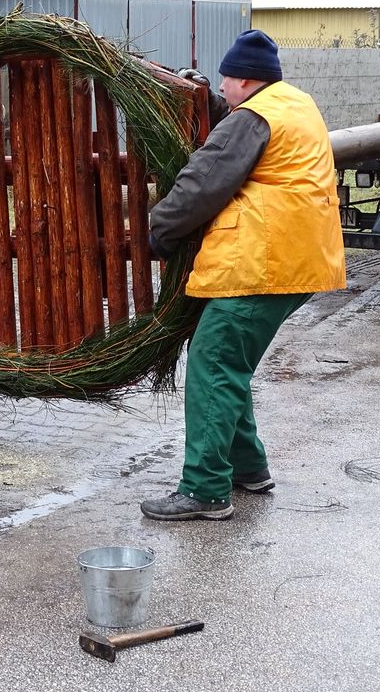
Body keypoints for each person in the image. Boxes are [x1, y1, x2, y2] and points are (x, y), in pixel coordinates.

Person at [142, 29, 346, 521]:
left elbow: (203, 181)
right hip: (298, 259)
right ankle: (248, 467)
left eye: (224, 80)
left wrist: (160, 230)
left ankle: (206, 490)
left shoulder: (253, 117)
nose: (222, 87)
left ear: (244, 80)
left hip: (264, 263)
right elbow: (249, 140)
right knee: (227, 362)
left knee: (213, 363)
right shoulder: (294, 103)